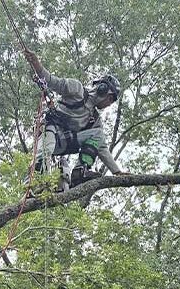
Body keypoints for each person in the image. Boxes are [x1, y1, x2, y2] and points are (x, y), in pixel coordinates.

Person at [24, 49, 123, 187]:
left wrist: (117, 172)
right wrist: (36, 64)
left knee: (98, 135)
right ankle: (33, 182)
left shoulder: (94, 119)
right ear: (103, 90)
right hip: (49, 130)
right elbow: (53, 82)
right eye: (110, 99)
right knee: (47, 148)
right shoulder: (76, 89)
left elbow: (102, 148)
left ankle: (80, 171)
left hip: (65, 141)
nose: (108, 104)